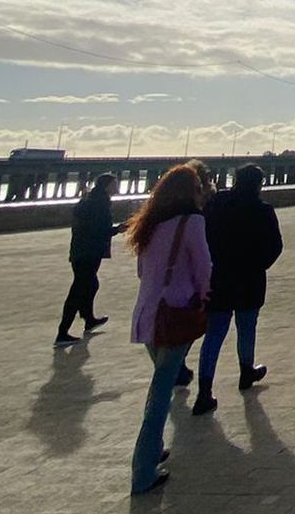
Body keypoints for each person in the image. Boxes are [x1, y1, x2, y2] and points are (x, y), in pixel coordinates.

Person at [126, 164, 212, 495]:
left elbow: (141, 271)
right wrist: (203, 298)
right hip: (175, 315)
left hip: (147, 315)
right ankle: (143, 469)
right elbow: (204, 268)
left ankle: (154, 447)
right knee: (161, 391)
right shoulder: (192, 222)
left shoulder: (149, 223)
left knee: (162, 382)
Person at [192, 164, 283, 417]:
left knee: (214, 335)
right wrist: (259, 264)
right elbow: (275, 245)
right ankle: (246, 370)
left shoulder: (217, 204)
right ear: (258, 184)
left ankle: (204, 389)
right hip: (249, 279)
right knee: (247, 326)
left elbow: (203, 236)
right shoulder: (263, 210)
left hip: (218, 278)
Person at [55, 173, 119, 347]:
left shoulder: (90, 199)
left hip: (80, 251)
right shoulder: (100, 204)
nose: (117, 187)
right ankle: (63, 332)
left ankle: (88, 319)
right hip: (88, 252)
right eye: (114, 184)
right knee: (78, 290)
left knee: (89, 285)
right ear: (107, 186)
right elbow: (100, 230)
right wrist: (118, 229)